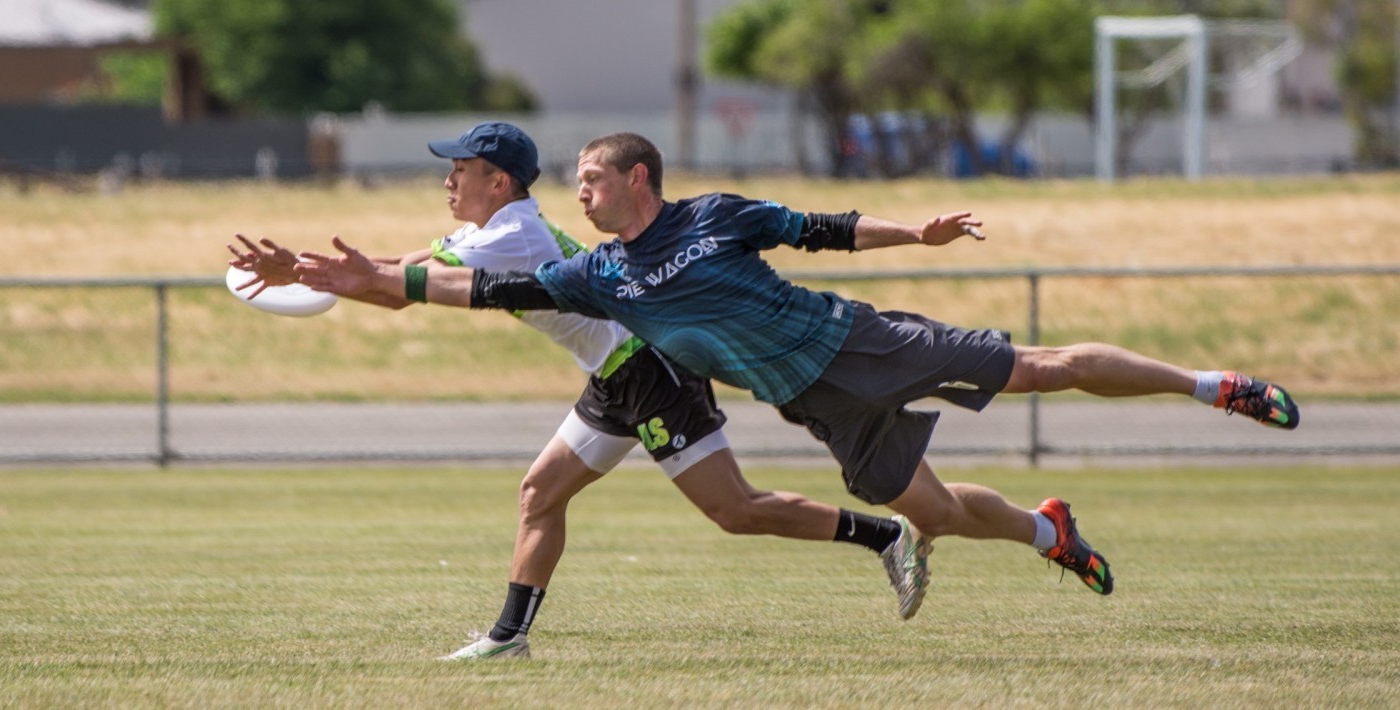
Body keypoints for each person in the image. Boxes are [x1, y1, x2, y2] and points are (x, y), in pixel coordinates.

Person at [295, 130, 1301, 614]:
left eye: (594, 179)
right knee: (939, 515)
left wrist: (925, 231)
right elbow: (495, 295)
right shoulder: (595, 275)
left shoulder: (713, 216)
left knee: (1049, 365)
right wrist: (372, 280)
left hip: (861, 341)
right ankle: (1050, 533)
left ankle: (1217, 386)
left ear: (636, 178)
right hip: (818, 406)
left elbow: (827, 230)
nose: (583, 193)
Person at [230, 122, 933, 661]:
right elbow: (390, 270)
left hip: (649, 369)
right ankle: (510, 637)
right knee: (541, 493)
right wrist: (303, 269)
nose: (448, 181)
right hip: (613, 372)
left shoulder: (508, 238)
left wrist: (308, 274)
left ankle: (884, 533)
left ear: (499, 182)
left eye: (460, 170)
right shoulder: (491, 228)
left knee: (735, 511)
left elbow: (395, 292)